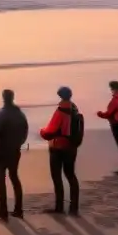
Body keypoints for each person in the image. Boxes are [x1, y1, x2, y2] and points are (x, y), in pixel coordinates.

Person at [38, 86, 81, 215]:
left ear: (60, 96)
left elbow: (50, 131)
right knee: (71, 175)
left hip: (58, 147)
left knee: (57, 177)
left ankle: (59, 207)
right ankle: (74, 207)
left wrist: (41, 131)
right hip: (71, 146)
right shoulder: (74, 108)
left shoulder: (61, 110)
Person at [0, 88, 29, 220]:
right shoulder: (20, 114)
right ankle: (18, 209)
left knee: (0, 179)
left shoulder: (1, 114)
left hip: (2, 150)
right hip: (15, 149)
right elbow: (25, 132)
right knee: (14, 177)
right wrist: (19, 142)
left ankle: (3, 209)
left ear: (3, 98)